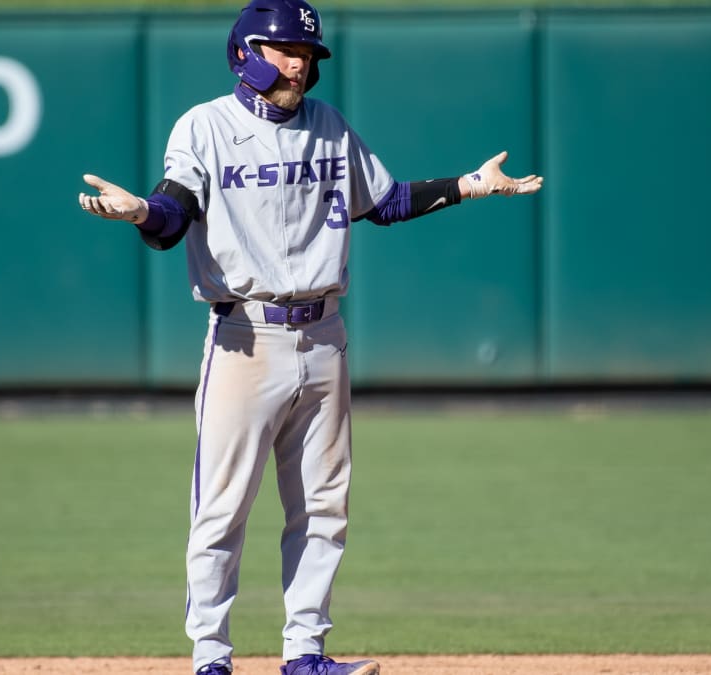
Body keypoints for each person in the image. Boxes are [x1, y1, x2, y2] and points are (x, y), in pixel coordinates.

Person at [78, 1, 542, 673]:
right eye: (286, 48)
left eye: (308, 52)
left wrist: (468, 186)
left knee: (324, 507)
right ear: (246, 51)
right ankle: (211, 656)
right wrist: (142, 211)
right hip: (245, 338)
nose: (300, 61)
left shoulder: (328, 125)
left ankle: (305, 654)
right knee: (221, 510)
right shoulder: (206, 126)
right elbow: (173, 213)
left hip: (324, 336)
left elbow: (383, 202)